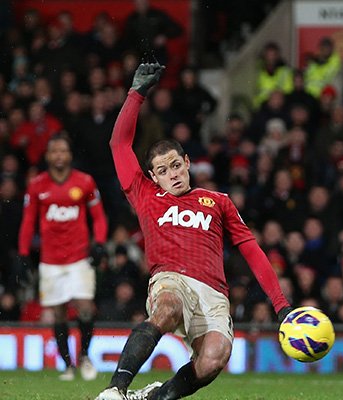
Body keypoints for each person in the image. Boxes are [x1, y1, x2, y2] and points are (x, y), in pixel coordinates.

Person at [94, 63, 292, 400]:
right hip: (170, 278)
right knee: (167, 307)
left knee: (214, 358)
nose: (171, 174)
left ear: (187, 163)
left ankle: (152, 398)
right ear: (153, 177)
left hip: (213, 293)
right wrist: (136, 95)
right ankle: (115, 390)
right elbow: (118, 145)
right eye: (162, 170)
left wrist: (282, 307)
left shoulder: (218, 201)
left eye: (175, 164)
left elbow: (250, 250)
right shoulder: (145, 194)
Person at [17, 134, 108, 381]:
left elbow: (98, 216)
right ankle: (67, 365)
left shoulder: (85, 182)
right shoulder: (37, 185)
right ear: (47, 156)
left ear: (69, 155)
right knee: (58, 313)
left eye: (62, 151)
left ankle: (85, 356)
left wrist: (99, 243)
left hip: (79, 257)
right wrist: (23, 254)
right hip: (50, 261)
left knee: (85, 308)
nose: (58, 156)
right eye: (54, 151)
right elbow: (28, 221)